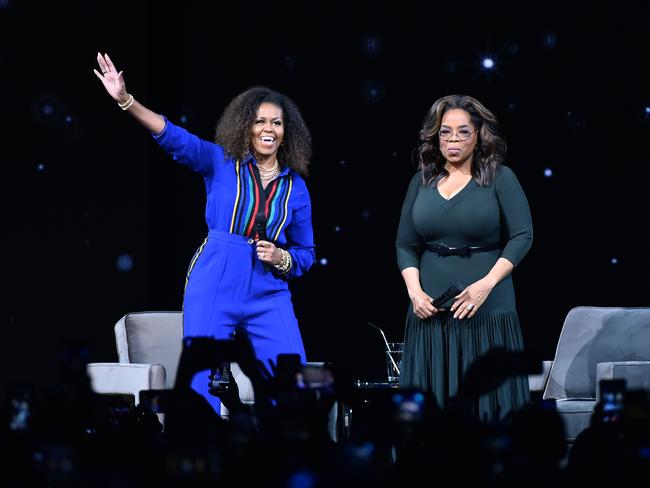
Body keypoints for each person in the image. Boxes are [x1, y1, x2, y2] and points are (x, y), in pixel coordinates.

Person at [94, 52, 316, 414]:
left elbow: (306, 251)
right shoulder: (220, 162)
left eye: (276, 123)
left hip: (268, 289)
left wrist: (282, 257)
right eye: (260, 121)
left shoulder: (296, 188)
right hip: (217, 274)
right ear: (246, 126)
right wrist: (125, 100)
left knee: (291, 377)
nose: (268, 130)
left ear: (286, 131)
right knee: (201, 382)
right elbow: (172, 136)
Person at [395, 94, 533, 422]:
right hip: (429, 314)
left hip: (487, 310)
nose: (453, 140)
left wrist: (485, 285)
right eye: (445, 132)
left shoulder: (501, 178)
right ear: (435, 136)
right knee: (430, 414)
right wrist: (414, 291)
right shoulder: (422, 181)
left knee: (488, 409)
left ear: (478, 135)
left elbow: (522, 236)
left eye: (463, 132)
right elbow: (404, 243)